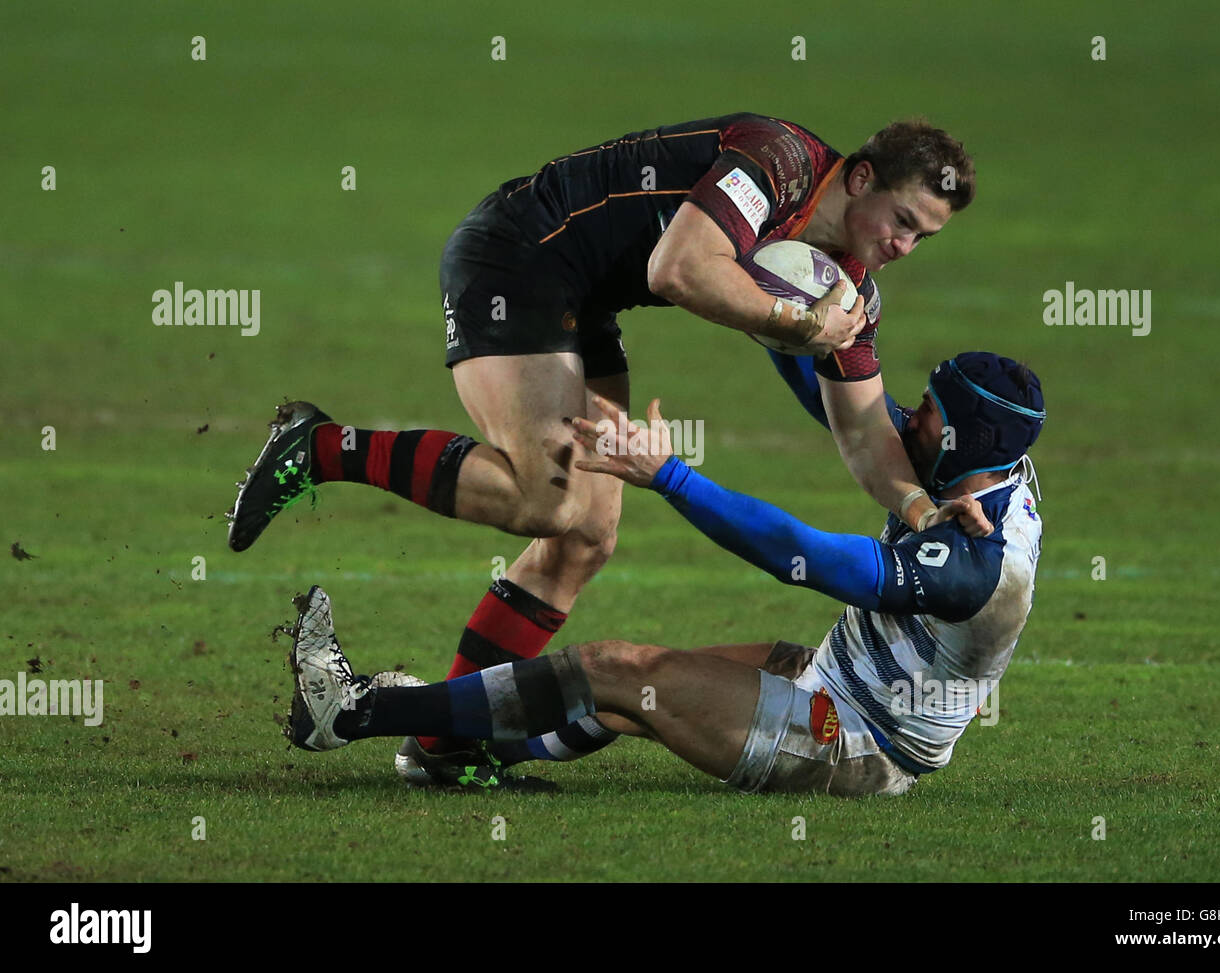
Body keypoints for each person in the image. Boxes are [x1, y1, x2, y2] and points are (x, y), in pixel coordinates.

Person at [230, 112, 981, 770]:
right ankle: (320, 446)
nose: (907, 245)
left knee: (584, 536)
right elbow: (678, 267)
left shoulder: (845, 289)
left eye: (927, 236)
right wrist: (801, 327)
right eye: (904, 220)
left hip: (586, 300)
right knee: (545, 497)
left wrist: (923, 511)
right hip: (522, 254)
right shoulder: (778, 162)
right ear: (861, 178)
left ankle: (444, 747)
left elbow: (863, 434)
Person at [282, 352, 1045, 797]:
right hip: (830, 677)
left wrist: (670, 476)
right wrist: (778, 308)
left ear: (972, 437)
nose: (913, 421)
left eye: (932, 415)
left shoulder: (978, 563)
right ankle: (456, 753)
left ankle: (350, 713)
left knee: (617, 670)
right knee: (633, 698)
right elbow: (852, 415)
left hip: (857, 741)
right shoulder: (980, 470)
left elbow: (802, 556)